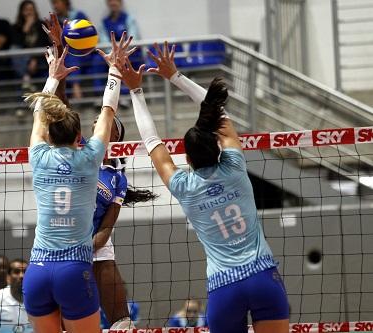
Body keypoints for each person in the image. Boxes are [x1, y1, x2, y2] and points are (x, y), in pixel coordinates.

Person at [112, 42, 290, 333]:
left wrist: (136, 90)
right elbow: (217, 112)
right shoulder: (234, 167)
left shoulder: (184, 185)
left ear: (189, 159)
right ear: (218, 149)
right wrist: (175, 76)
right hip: (263, 277)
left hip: (224, 287)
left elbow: (151, 141)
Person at [21, 25, 134, 331]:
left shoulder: (39, 156)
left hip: (38, 269)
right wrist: (115, 71)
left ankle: (123, 320)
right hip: (74, 266)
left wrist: (53, 74)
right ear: (80, 136)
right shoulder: (89, 157)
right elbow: (108, 109)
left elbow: (42, 114)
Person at [91, 116, 154, 329]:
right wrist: (57, 82)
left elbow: (108, 225)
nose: (95, 122)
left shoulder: (118, 178)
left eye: (102, 119)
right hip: (66, 239)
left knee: (122, 324)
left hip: (98, 242)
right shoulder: (82, 150)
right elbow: (63, 107)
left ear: (116, 134)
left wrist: (90, 246)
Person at [51, 0, 90, 99]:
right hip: (67, 53)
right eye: (53, 3)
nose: (54, 6)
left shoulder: (79, 15)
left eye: (56, 2)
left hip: (83, 50)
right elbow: (53, 40)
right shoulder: (54, 20)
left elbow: (89, 32)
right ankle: (76, 89)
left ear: (65, 3)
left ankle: (77, 90)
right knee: (69, 57)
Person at [11, 0, 50, 89]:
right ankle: (26, 76)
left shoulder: (42, 25)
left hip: (40, 58)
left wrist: (34, 59)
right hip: (23, 61)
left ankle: (26, 78)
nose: (29, 13)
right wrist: (26, 28)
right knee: (14, 49)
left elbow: (43, 44)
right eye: (26, 10)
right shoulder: (16, 27)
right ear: (21, 12)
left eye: (31, 10)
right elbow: (17, 45)